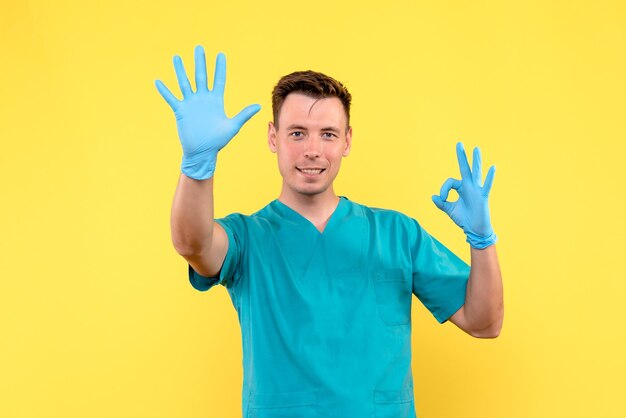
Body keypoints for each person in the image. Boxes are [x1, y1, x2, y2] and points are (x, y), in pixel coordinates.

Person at [156, 45, 503, 418]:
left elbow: (484, 322)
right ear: (273, 137)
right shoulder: (247, 240)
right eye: (297, 133)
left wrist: (481, 241)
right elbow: (192, 243)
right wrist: (197, 166)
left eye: (327, 134)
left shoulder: (397, 234)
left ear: (347, 140)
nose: (312, 150)